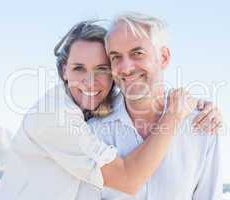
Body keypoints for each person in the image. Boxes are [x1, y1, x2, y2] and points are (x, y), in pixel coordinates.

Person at [0, 19, 221, 200]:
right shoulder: (57, 119)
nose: (90, 82)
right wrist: (173, 115)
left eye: (102, 68)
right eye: (78, 68)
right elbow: (127, 179)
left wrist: (197, 107)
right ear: (64, 70)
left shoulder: (198, 129)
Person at [80, 12, 222, 200]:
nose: (126, 68)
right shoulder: (93, 131)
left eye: (137, 53)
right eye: (116, 57)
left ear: (163, 57)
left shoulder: (201, 124)